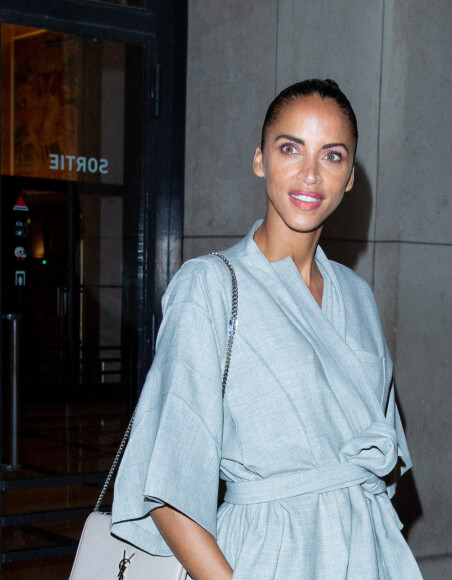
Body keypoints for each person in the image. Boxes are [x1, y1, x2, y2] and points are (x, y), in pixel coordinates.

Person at [111, 79, 423, 579]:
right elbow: (166, 488)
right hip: (264, 558)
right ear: (260, 159)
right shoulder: (209, 287)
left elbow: (381, 474)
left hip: (366, 556)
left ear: (349, 180)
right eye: (290, 148)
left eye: (333, 156)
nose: (310, 174)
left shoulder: (358, 297)